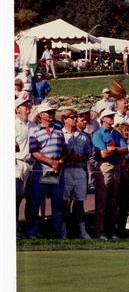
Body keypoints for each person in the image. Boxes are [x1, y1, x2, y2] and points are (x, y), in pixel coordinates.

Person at [27, 101, 67, 239]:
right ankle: (32, 232)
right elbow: (34, 152)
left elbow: (64, 150)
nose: (52, 115)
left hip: (56, 170)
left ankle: (56, 233)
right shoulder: (34, 131)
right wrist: (51, 162)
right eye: (49, 112)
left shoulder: (58, 130)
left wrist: (59, 162)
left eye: (53, 112)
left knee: (57, 203)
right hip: (41, 169)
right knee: (35, 201)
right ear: (41, 115)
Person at [92, 109, 128, 239]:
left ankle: (111, 231)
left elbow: (125, 149)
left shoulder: (116, 133)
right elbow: (103, 154)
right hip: (104, 166)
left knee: (113, 201)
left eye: (112, 115)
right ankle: (100, 232)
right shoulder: (98, 134)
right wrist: (116, 151)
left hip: (116, 167)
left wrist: (114, 149)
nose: (112, 118)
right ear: (103, 119)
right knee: (102, 200)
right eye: (109, 116)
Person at [61, 108, 92, 239]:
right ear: (64, 120)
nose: (75, 120)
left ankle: (81, 231)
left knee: (79, 202)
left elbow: (88, 152)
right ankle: (63, 231)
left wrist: (82, 158)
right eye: (72, 118)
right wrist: (68, 157)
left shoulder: (84, 136)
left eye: (76, 117)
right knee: (64, 202)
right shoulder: (60, 134)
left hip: (80, 170)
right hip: (65, 171)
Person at [15, 97, 36, 238]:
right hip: (17, 164)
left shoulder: (34, 125)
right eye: (24, 105)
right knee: (15, 199)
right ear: (17, 109)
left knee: (31, 199)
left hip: (33, 165)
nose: (27, 106)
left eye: (28, 104)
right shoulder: (11, 125)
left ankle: (31, 231)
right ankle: (15, 229)